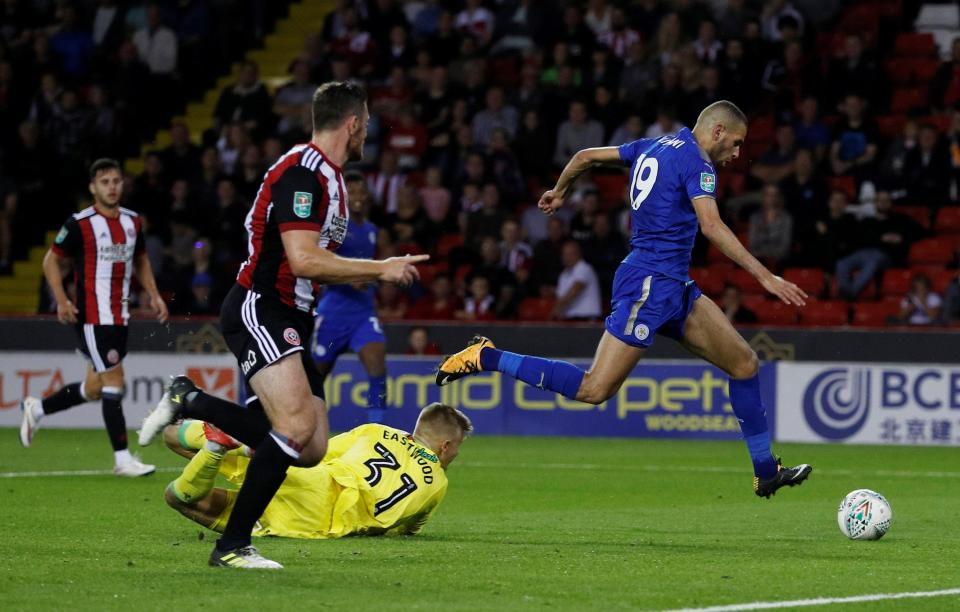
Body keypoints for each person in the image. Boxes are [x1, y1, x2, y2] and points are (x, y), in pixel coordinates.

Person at [436, 101, 812, 499]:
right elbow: (712, 225)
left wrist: (559, 191)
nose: (737, 154)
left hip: (673, 286)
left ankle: (765, 471)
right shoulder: (697, 164)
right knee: (594, 389)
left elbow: (583, 157)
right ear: (717, 131)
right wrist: (765, 275)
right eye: (735, 143)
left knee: (744, 363)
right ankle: (487, 356)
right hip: (649, 285)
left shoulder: (652, 146)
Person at [137, 81, 428, 569]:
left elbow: (312, 261)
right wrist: (379, 268)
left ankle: (190, 400)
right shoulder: (303, 172)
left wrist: (360, 271)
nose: (368, 135)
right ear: (353, 124)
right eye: (367, 125)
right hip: (261, 306)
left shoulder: (332, 179)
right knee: (293, 427)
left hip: (293, 314)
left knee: (311, 447)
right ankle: (232, 546)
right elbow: (303, 258)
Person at [19, 158, 168, 477]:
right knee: (115, 382)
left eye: (116, 181)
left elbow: (140, 259)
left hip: (120, 313)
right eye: (105, 182)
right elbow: (50, 262)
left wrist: (154, 294)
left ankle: (38, 408)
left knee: (95, 388)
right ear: (92, 187)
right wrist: (60, 300)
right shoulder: (80, 223)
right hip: (92, 316)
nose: (112, 187)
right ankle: (122, 459)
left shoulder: (132, 222)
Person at [162, 402, 471, 540]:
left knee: (173, 436)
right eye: (456, 447)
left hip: (311, 478)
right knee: (178, 499)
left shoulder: (374, 431)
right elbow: (404, 528)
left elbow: (316, 456)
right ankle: (218, 448)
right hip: (318, 518)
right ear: (444, 447)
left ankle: (217, 443)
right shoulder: (438, 482)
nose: (455, 454)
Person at [311, 171, 388, 423]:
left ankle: (376, 429)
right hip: (333, 314)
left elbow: (375, 270)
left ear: (367, 196)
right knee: (317, 375)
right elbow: (318, 269)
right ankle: (306, 425)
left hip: (363, 314)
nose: (356, 196)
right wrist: (349, 278)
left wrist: (377, 277)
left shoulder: (373, 231)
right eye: (351, 191)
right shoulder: (335, 228)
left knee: (378, 368)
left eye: (360, 191)